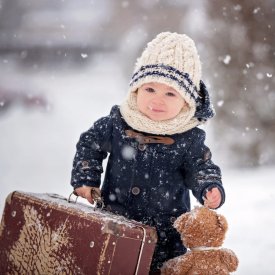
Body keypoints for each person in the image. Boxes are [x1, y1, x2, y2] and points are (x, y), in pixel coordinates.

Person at [70, 32, 225, 272]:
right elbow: (90, 144)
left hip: (163, 238)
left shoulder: (189, 138)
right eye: (150, 89)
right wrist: (86, 179)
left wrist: (209, 186)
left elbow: (200, 167)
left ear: (186, 102)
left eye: (170, 93)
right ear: (136, 89)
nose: (157, 100)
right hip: (113, 225)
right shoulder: (118, 122)